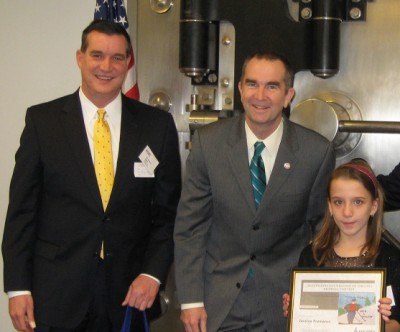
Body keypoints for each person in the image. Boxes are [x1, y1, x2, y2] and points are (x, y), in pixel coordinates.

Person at [1, 20, 181, 332]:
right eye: (97, 55)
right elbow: (21, 213)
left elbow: (168, 216)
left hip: (129, 294)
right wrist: (17, 288)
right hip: (56, 294)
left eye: (117, 58)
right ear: (80, 58)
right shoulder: (43, 122)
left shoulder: (157, 127)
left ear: (128, 63)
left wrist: (152, 274)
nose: (106, 67)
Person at [174, 51, 336, 332]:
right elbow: (190, 228)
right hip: (217, 302)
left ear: (288, 96)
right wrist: (190, 301)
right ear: (239, 89)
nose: (260, 95)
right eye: (252, 84)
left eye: (272, 86)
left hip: (284, 302)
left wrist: (314, 296)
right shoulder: (208, 144)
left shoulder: (316, 153)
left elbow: (322, 232)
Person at [282, 159, 400, 331]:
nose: (347, 212)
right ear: (329, 206)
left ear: (374, 206)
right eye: (338, 202)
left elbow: (397, 323)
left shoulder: (392, 259)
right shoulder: (312, 255)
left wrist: (381, 323)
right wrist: (295, 312)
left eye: (358, 202)